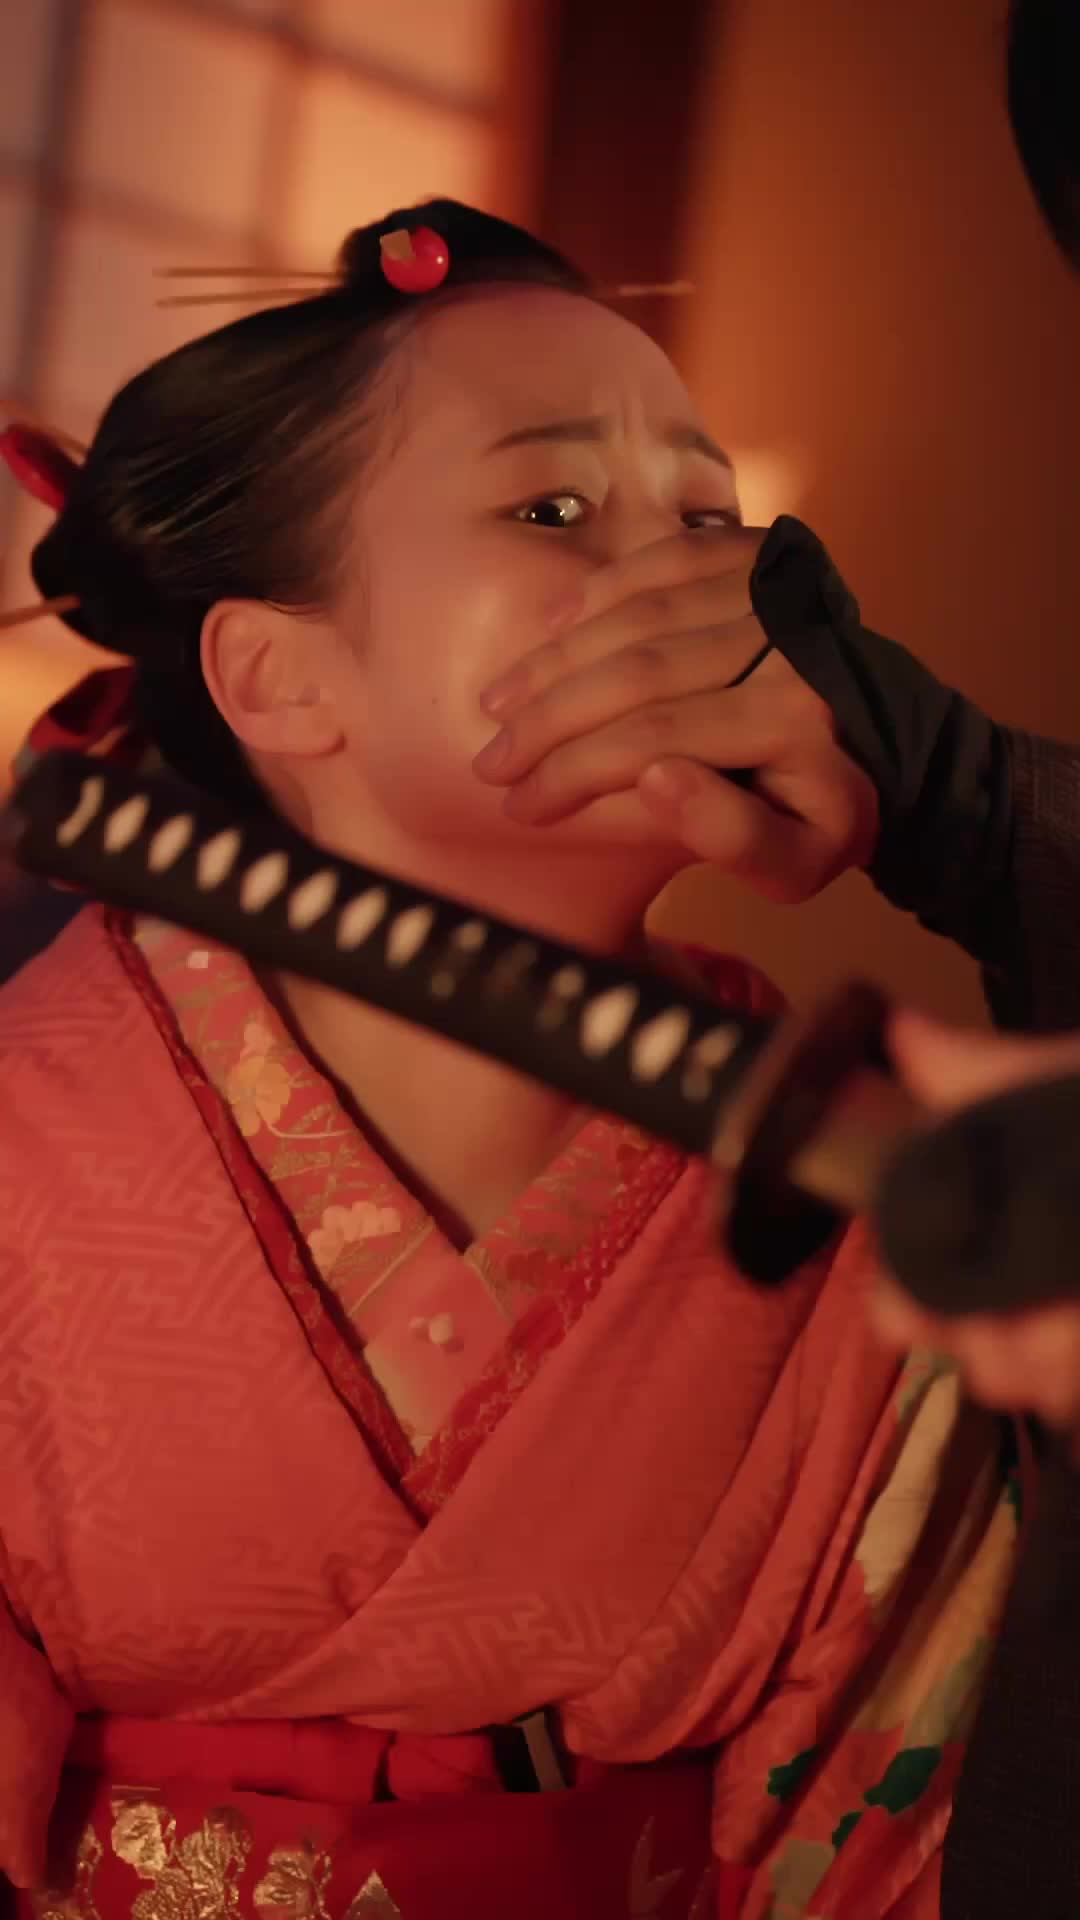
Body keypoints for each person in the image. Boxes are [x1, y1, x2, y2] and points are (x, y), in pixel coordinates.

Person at [0, 199, 1020, 1920]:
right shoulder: (25, 1122)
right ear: (278, 676)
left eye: (713, 518)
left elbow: (872, 1808)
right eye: (553, 508)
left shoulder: (865, 1173)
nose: (694, 582)